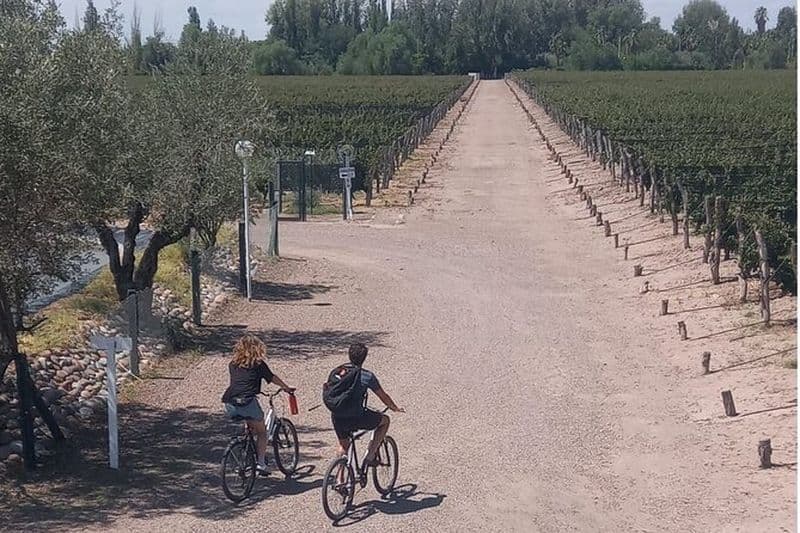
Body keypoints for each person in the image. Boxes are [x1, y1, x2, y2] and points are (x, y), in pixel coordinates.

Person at [222, 334, 293, 475]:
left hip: (230, 402)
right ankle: (260, 463)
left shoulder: (233, 364)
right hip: (248, 401)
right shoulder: (259, 364)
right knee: (262, 432)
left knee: (249, 422)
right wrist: (286, 387)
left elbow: (241, 382)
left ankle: (245, 452)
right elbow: (272, 378)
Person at [330, 343, 404, 465]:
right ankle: (370, 457)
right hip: (356, 417)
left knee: (343, 445)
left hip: (337, 416)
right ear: (364, 358)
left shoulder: (337, 372)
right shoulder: (366, 376)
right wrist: (394, 407)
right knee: (385, 421)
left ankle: (340, 479)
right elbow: (383, 396)